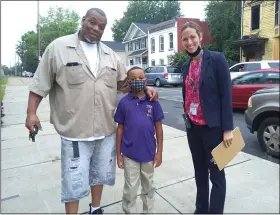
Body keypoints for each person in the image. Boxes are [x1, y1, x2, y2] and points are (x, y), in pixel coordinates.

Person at [25, 8, 158, 214]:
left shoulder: (110, 55)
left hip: (105, 130)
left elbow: (126, 82)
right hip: (74, 132)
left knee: (100, 175)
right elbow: (40, 83)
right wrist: (31, 113)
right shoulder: (58, 48)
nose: (96, 29)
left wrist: (144, 86)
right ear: (83, 20)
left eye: (101, 26)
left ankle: (95, 208)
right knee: (74, 181)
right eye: (92, 23)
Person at [180, 22, 234, 214]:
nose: (189, 42)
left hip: (213, 130)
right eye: (185, 39)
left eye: (192, 37)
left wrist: (227, 129)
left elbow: (226, 95)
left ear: (200, 37)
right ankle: (201, 209)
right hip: (193, 130)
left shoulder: (216, 59)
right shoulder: (186, 65)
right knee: (199, 173)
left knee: (216, 175)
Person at [114, 66, 164, 214]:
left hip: (149, 154)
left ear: (145, 79)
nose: (137, 81)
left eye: (140, 77)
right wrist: (119, 155)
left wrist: (159, 152)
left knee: (148, 187)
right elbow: (120, 129)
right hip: (130, 154)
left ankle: (147, 212)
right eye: (133, 79)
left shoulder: (153, 101)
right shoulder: (124, 103)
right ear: (128, 82)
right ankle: (129, 211)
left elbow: (159, 128)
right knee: (130, 189)